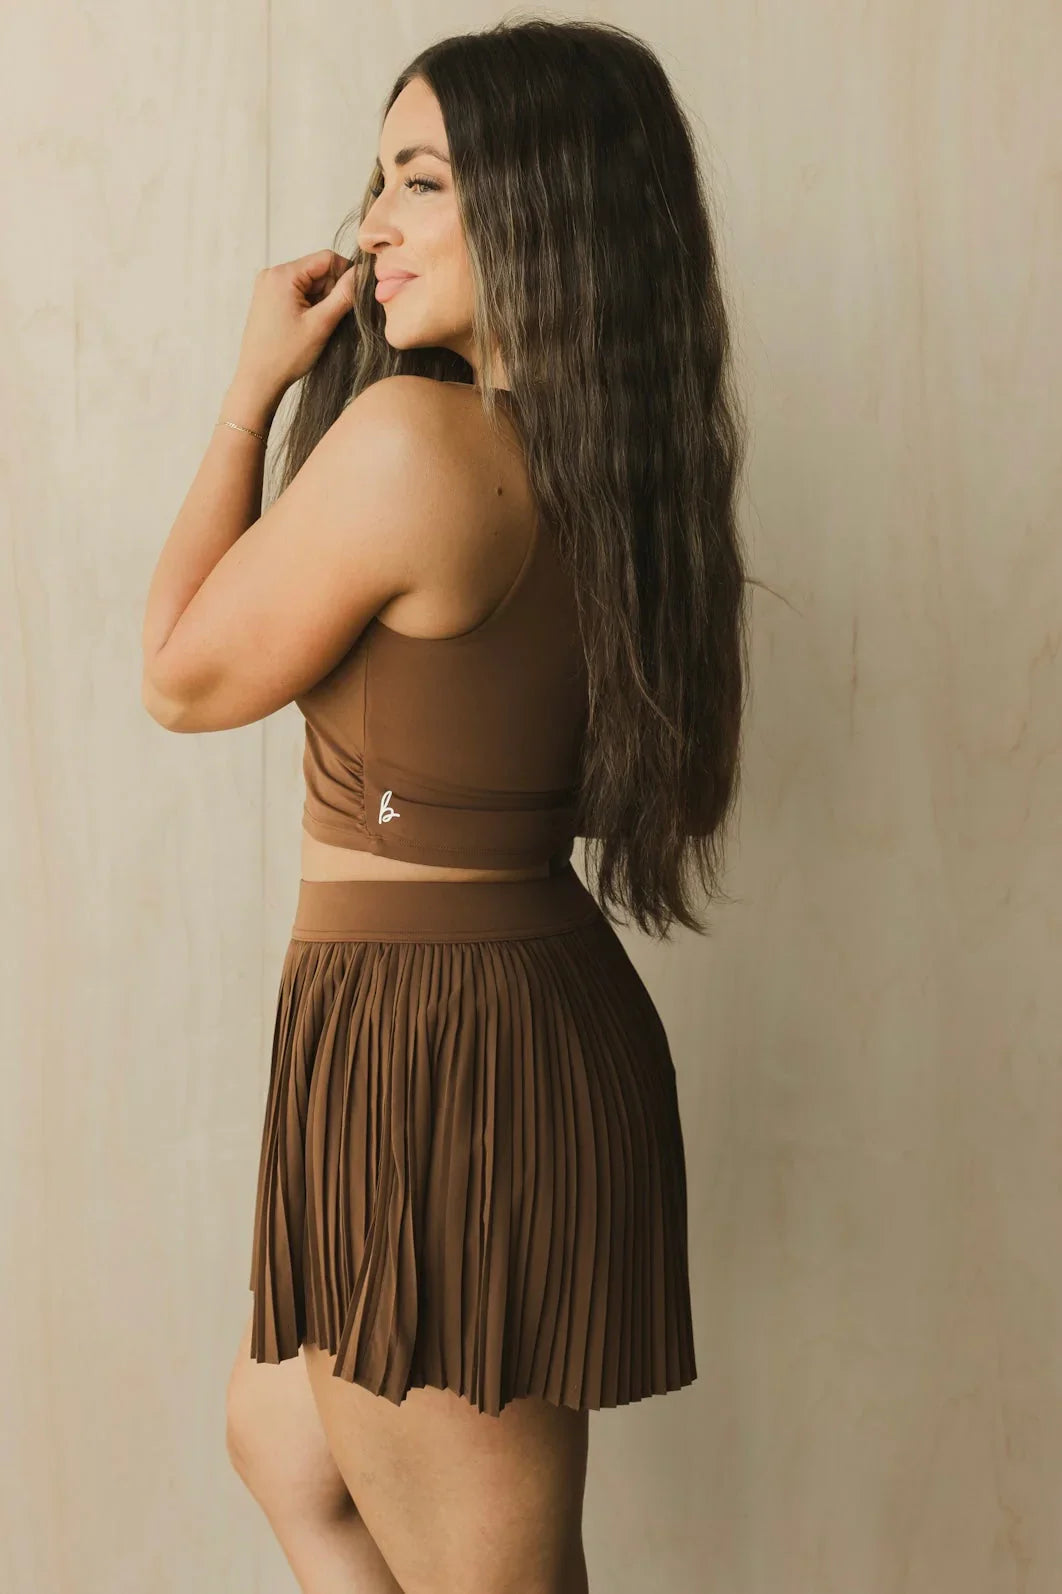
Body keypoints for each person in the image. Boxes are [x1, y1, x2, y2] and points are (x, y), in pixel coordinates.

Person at [141, 18, 748, 1594]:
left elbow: (184, 676)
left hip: (440, 1043)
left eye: (422, 180)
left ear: (543, 208)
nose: (373, 224)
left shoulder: (414, 439)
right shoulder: (612, 465)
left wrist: (246, 396)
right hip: (477, 1012)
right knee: (284, 1437)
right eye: (379, 177)